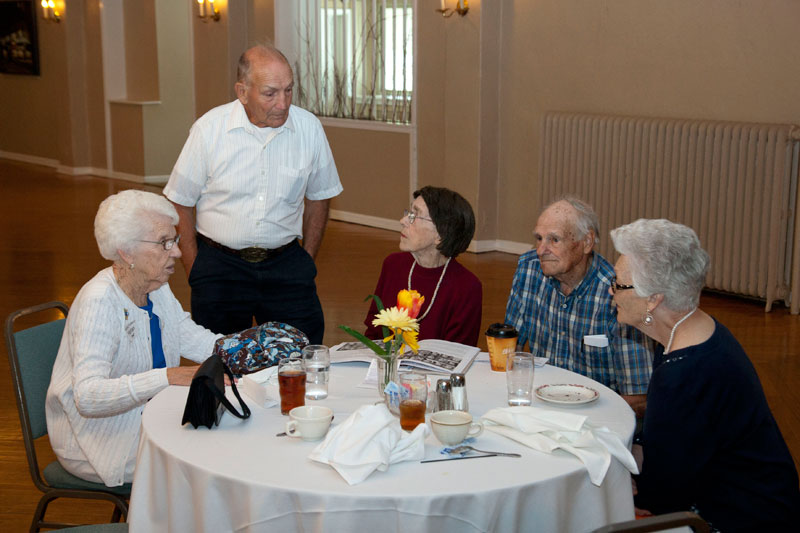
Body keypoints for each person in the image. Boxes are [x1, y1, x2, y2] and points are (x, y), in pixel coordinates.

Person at [609, 218, 800, 530]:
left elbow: (662, 497)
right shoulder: (692, 331)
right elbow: (677, 448)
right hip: (763, 499)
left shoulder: (684, 370)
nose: (611, 290)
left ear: (653, 298)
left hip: (742, 518)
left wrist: (625, 481)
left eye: (619, 283)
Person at [164, 44, 342, 343]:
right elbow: (180, 202)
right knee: (221, 366)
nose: (283, 103)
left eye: (289, 90)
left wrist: (306, 261)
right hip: (220, 269)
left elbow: (320, 196)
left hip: (286, 266)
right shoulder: (209, 130)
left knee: (303, 356)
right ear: (242, 91)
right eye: (270, 93)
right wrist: (197, 270)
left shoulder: (309, 128)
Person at [46, 190, 222, 487]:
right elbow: (88, 397)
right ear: (126, 252)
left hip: (148, 415)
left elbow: (190, 336)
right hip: (98, 439)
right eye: (165, 243)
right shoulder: (100, 301)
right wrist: (167, 377)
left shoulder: (155, 285)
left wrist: (246, 349)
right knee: (206, 466)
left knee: (222, 437)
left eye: (175, 240)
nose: (177, 253)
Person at [504, 197, 653, 414]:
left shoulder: (617, 293)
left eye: (554, 240)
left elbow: (638, 396)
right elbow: (508, 351)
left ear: (587, 242)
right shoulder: (529, 271)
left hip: (598, 415)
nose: (540, 250)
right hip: (540, 407)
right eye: (539, 238)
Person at [364, 186, 482, 346]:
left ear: (440, 234)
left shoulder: (467, 287)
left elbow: (457, 354)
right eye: (408, 213)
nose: (403, 221)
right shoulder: (393, 265)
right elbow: (374, 332)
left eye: (415, 216)